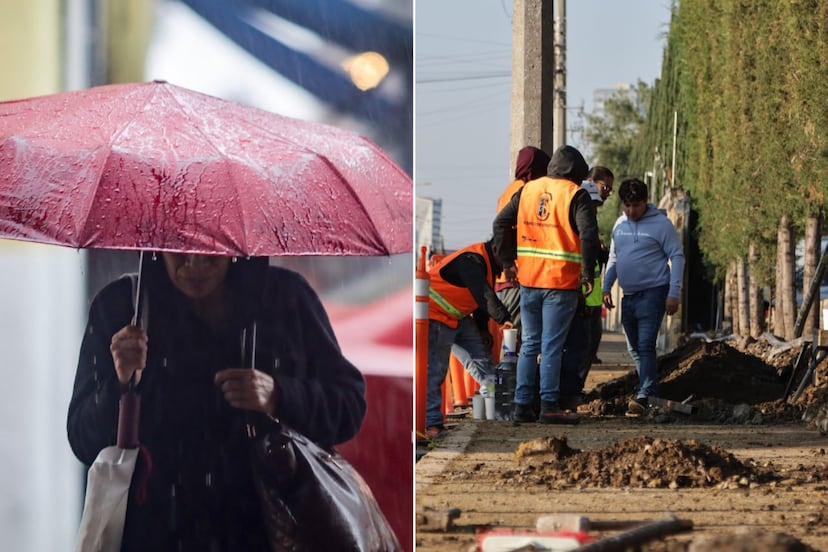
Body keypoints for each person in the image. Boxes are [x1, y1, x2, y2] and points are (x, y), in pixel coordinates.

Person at [67, 253, 367, 551]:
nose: (195, 264)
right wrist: (119, 384)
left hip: (267, 533)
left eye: (211, 250)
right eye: (181, 249)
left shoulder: (285, 299)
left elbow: (349, 406)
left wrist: (279, 395)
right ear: (159, 242)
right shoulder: (121, 308)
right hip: (155, 534)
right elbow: (82, 439)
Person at [492, 145, 601, 424]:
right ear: (576, 172)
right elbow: (588, 234)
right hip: (560, 282)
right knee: (552, 346)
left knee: (529, 344)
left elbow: (500, 223)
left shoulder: (527, 190)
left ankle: (522, 406)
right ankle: (549, 405)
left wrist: (507, 262)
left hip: (529, 280)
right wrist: (588, 274)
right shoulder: (574, 195)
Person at [602, 178, 685, 417]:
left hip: (654, 292)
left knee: (646, 344)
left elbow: (677, 257)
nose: (631, 211)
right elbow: (614, 260)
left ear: (645, 202)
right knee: (634, 347)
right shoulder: (619, 226)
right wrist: (606, 287)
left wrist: (673, 292)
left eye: (636, 206)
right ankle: (649, 389)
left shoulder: (661, 225)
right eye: (627, 206)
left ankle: (645, 394)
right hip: (629, 296)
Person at [426, 239, 513, 439]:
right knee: (435, 371)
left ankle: (492, 403)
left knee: (483, 361)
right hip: (435, 315)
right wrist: (505, 320)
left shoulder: (488, 264)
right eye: (509, 260)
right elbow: (484, 295)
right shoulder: (472, 260)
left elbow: (480, 300)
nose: (511, 265)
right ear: (496, 250)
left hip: (456, 316)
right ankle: (431, 425)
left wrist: (483, 329)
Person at [558, 180, 608, 410]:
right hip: (580, 289)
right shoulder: (577, 222)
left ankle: (573, 388)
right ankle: (569, 391)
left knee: (589, 339)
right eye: (593, 204)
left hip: (590, 290)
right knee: (578, 341)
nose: (595, 208)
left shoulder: (589, 221)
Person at [495, 145, 552, 334]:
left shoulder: (510, 189)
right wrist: (509, 263)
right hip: (517, 274)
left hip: (510, 274)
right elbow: (507, 228)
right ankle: (509, 364)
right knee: (514, 332)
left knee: (514, 332)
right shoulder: (524, 192)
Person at [583, 166, 614, 365]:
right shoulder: (581, 206)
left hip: (591, 281)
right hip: (584, 281)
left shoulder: (592, 210)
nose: (608, 193)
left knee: (593, 327)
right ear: (592, 182)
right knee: (587, 328)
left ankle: (588, 357)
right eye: (606, 188)